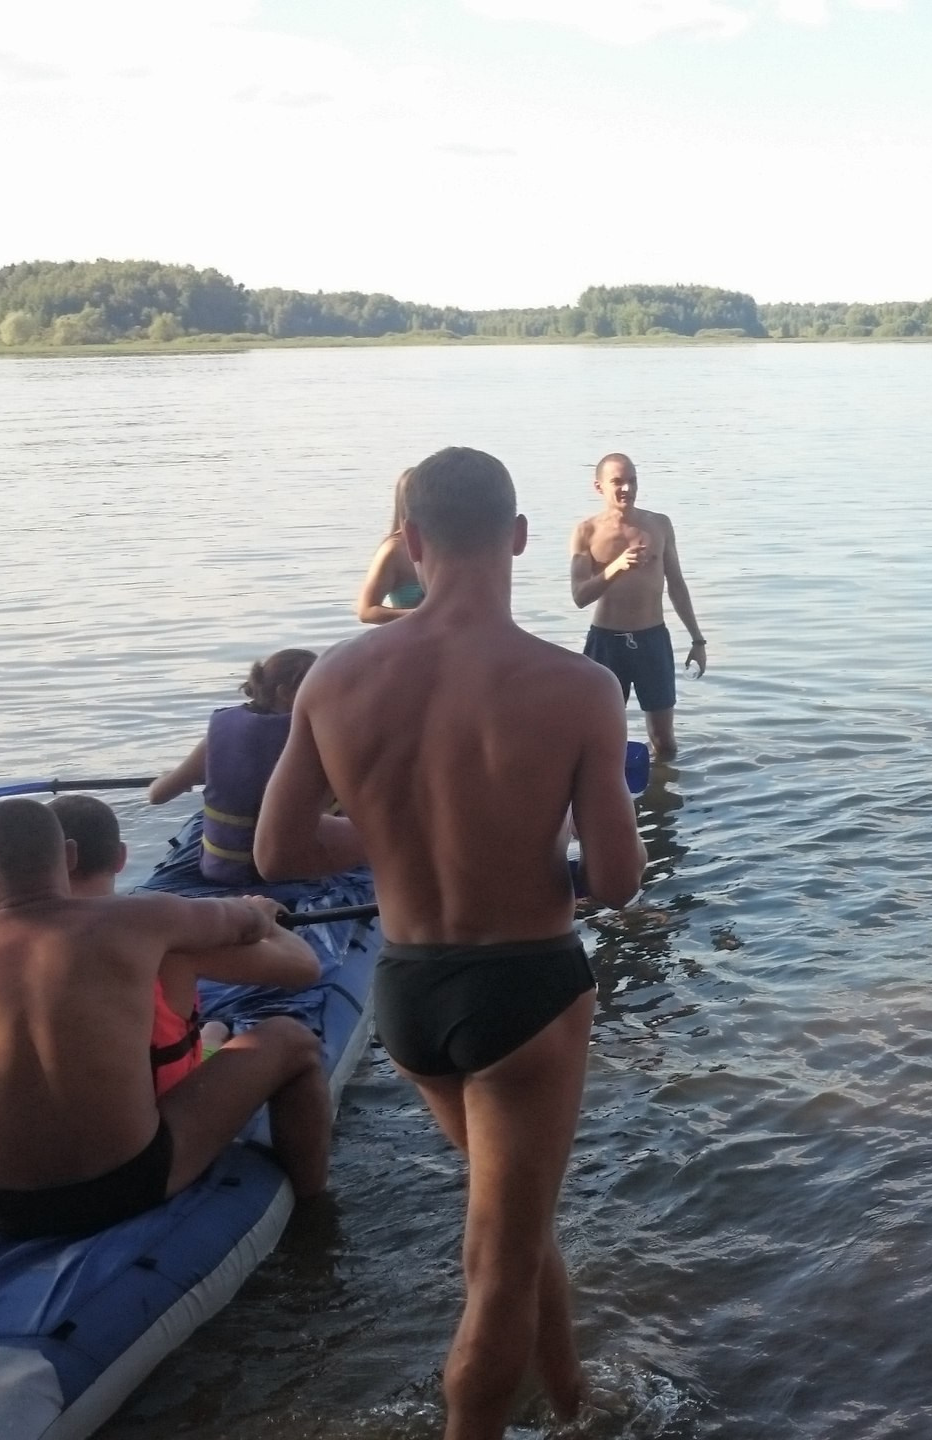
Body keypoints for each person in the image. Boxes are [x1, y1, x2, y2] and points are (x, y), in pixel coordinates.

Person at [255, 445, 644, 1440]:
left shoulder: (335, 679)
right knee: (498, 1264)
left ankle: (573, 1404)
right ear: (517, 538)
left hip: (409, 993)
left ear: (414, 543)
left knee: (517, 1222)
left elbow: (279, 850)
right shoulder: (578, 687)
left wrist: (396, 840)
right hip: (525, 993)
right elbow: (615, 881)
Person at [0, 799, 333, 1239]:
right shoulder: (145, 918)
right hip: (132, 1182)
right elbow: (243, 925)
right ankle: (314, 1213)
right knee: (292, 1040)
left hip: (0, 1201)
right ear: (68, 856)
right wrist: (260, 912)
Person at [48, 794, 317, 1085]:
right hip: (167, 1102)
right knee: (290, 1036)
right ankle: (212, 1037)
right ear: (121, 858)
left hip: (76, 1098)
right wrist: (268, 924)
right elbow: (304, 966)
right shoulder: (168, 937)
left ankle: (211, 1035)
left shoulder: (19, 946)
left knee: (211, 1030)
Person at [570, 452, 706, 761]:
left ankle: (662, 789)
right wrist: (616, 567)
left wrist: (698, 641)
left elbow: (677, 585)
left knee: (664, 742)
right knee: (599, 738)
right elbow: (579, 596)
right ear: (599, 487)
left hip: (651, 640)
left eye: (632, 481)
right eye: (617, 482)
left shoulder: (659, 525)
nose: (627, 489)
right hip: (606, 642)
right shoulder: (586, 531)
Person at [148, 648, 318, 885]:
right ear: (285, 693)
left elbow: (157, 796)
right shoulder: (315, 737)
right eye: (317, 688)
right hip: (289, 874)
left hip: (223, 871)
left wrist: (170, 776)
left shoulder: (224, 730)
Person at [355, 468, 426, 624]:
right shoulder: (393, 550)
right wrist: (422, 615)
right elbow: (366, 611)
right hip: (409, 636)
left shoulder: (449, 544)